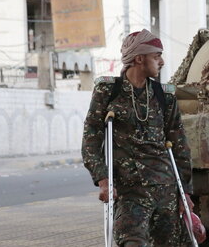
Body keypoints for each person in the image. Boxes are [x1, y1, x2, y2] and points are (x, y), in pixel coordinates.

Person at [82, 29, 193, 246]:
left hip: (165, 189)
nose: (161, 61)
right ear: (139, 59)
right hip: (129, 189)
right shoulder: (108, 91)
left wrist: (185, 193)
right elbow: (91, 137)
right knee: (131, 242)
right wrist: (103, 179)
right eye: (156, 56)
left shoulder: (165, 96)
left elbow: (179, 145)